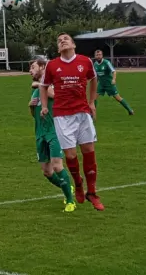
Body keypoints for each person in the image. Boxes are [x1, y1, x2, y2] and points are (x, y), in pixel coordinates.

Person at [40, 33, 104, 211]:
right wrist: (44, 106)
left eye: (65, 39)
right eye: (59, 41)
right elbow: (43, 86)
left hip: (82, 113)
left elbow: (93, 79)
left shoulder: (85, 61)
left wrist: (91, 102)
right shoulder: (52, 65)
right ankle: (78, 184)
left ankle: (92, 192)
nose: (62, 41)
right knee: (70, 156)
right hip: (62, 115)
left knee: (89, 150)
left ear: (73, 44)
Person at [29, 57, 76, 213]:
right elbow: (35, 114)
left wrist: (40, 85)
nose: (30, 71)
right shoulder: (36, 90)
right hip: (40, 133)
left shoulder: (51, 84)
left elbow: (56, 95)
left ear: (43, 67)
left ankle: (70, 201)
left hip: (55, 131)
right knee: (47, 171)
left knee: (56, 166)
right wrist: (31, 107)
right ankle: (67, 186)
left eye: (33, 68)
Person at [93, 50, 134, 115]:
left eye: (100, 55)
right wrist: (95, 83)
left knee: (118, 98)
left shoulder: (106, 63)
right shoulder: (95, 64)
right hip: (101, 84)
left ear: (102, 55)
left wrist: (114, 79)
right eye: (97, 55)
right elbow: (97, 75)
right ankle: (93, 113)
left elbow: (114, 71)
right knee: (94, 98)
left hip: (109, 84)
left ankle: (130, 110)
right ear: (95, 56)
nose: (98, 56)